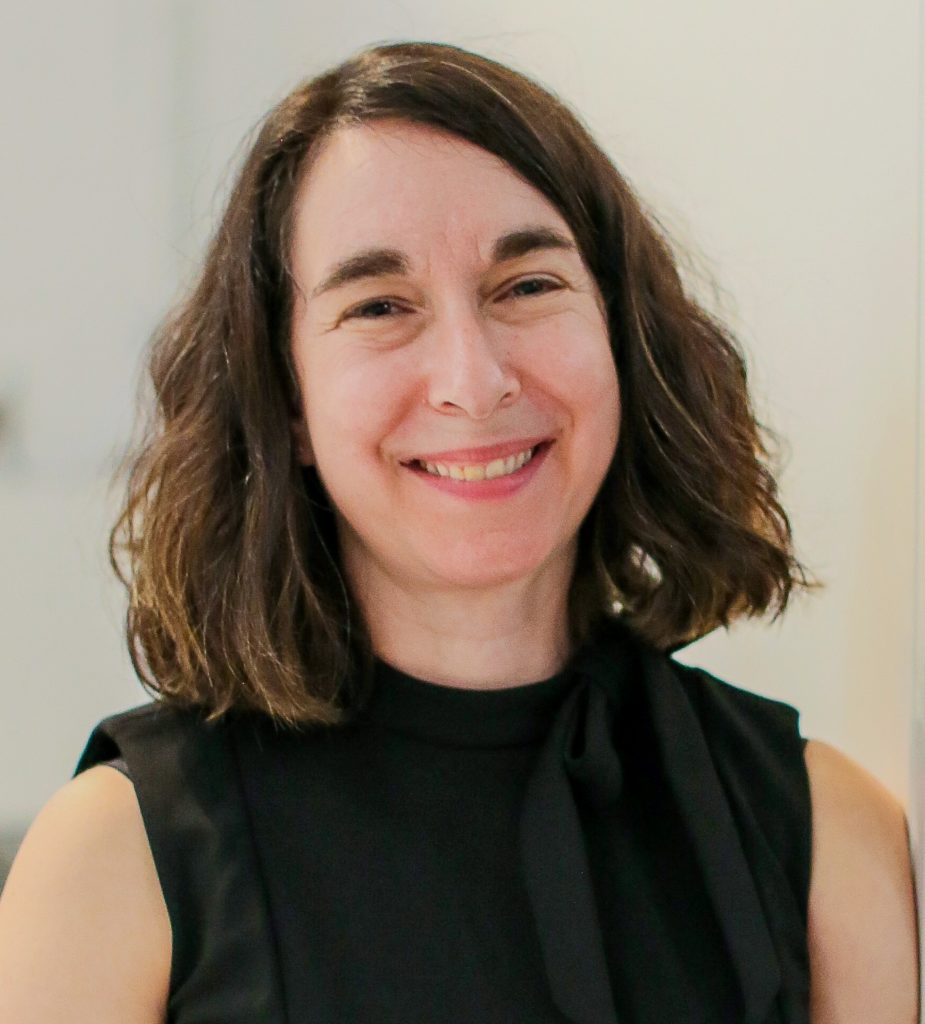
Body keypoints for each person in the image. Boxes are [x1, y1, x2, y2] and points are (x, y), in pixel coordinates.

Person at [0, 39, 917, 1024]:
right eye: (380, 306)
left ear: (621, 334)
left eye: (526, 286)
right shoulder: (117, 856)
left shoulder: (826, 833)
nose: (474, 380)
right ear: (289, 405)